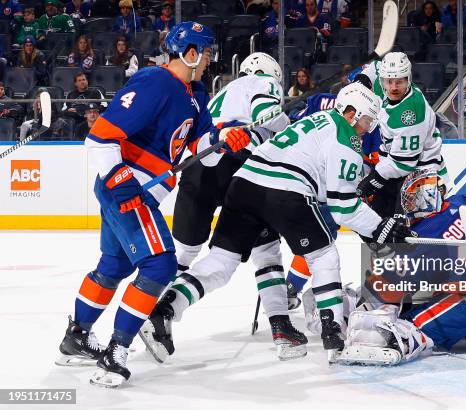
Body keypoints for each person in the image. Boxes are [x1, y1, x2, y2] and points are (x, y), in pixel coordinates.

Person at [139, 82, 416, 363]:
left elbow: (323, 185)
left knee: (221, 261)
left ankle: (164, 311)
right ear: (351, 112)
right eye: (367, 120)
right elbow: (342, 207)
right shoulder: (347, 138)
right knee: (323, 254)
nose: (367, 129)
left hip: (244, 183)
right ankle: (335, 334)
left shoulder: (315, 120)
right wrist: (381, 227)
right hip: (285, 190)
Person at [54, 22, 240, 388]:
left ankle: (75, 337)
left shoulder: (195, 92)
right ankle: (115, 352)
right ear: (189, 53)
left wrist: (224, 137)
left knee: (114, 265)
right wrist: (123, 185)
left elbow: (201, 149)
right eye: (205, 53)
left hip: (135, 191)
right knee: (160, 266)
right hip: (128, 188)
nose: (209, 61)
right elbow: (100, 136)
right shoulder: (156, 82)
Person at [139, 52, 303, 362]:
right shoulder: (263, 81)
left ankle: (150, 313)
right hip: (242, 164)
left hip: (201, 165)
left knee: (184, 254)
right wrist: (290, 124)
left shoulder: (221, 93)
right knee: (264, 251)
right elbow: (267, 114)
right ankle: (281, 325)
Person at [316, 169, 466, 366]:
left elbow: (386, 290)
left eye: (411, 199)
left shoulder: (425, 235)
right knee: (443, 291)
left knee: (403, 327)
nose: (408, 206)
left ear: (423, 198)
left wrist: (358, 308)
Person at [355, 52, 448, 220]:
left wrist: (373, 178)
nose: (394, 87)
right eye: (389, 81)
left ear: (409, 79)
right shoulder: (384, 83)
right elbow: (374, 67)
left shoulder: (411, 111)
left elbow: (404, 163)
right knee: (378, 227)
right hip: (393, 169)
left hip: (420, 173)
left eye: (400, 82)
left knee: (413, 232)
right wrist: (362, 79)